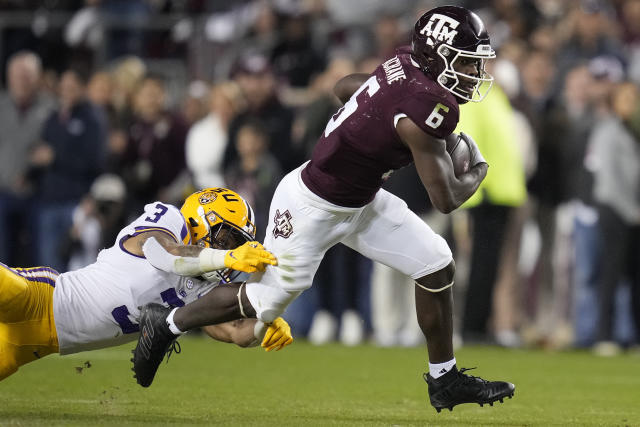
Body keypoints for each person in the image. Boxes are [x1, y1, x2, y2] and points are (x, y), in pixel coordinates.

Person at [133, 6, 515, 412]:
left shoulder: (405, 63)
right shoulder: (427, 107)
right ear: (437, 56)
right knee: (262, 306)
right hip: (311, 207)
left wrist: (376, 123)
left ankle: (444, 379)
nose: (475, 73)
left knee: (436, 263)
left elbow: (344, 86)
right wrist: (478, 170)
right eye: (468, 62)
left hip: (361, 198)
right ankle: (167, 323)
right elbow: (447, 198)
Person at [0, 187, 292, 382]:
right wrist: (227, 256)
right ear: (203, 219)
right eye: (227, 238)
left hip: (34, 345)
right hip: (40, 297)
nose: (231, 248)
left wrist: (265, 318)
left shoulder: (202, 287)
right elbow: (165, 254)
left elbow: (234, 331)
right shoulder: (171, 219)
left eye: (235, 244)